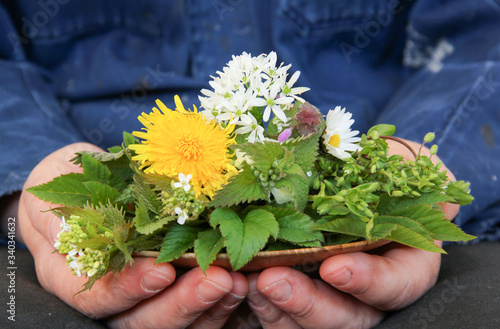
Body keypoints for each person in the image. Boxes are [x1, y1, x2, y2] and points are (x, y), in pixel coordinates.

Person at [0, 0, 499, 328]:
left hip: (379, 206)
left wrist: (428, 166)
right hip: (58, 228)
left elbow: (486, 33)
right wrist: (28, 185)